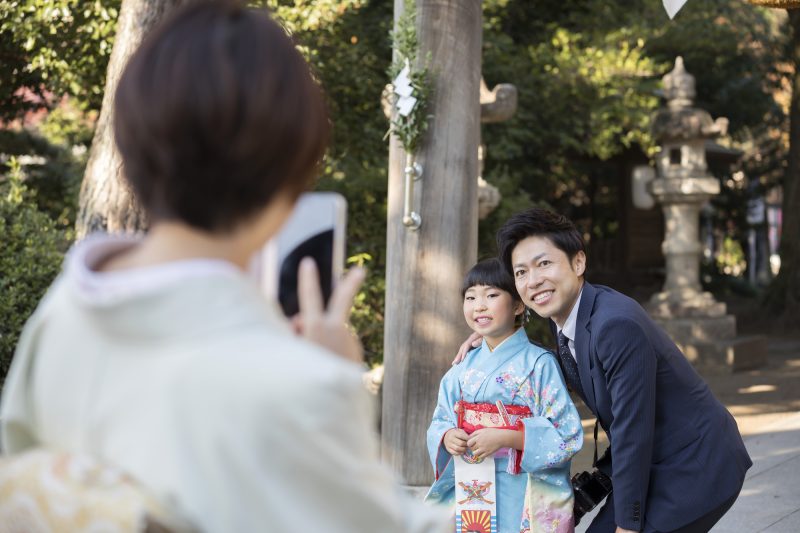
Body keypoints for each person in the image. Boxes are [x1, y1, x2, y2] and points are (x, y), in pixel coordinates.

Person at [0, 2, 447, 532]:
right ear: (290, 175)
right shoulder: (297, 384)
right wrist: (336, 383)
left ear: (127, 144)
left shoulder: (62, 318)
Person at [455, 208, 751, 533]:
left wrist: (627, 525)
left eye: (544, 264)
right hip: (655, 460)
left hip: (697, 465)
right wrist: (497, 337)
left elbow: (632, 432)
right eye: (521, 272)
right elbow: (564, 364)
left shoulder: (615, 324)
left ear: (578, 263)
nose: (533, 280)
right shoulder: (570, 318)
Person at [426, 258, 583, 533]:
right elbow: (441, 418)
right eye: (470, 297)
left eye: (492, 295)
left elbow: (566, 432)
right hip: (470, 482)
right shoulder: (462, 367)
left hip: (523, 486)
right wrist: (447, 435)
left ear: (519, 305)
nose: (479, 305)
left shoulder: (539, 363)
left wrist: (509, 437)